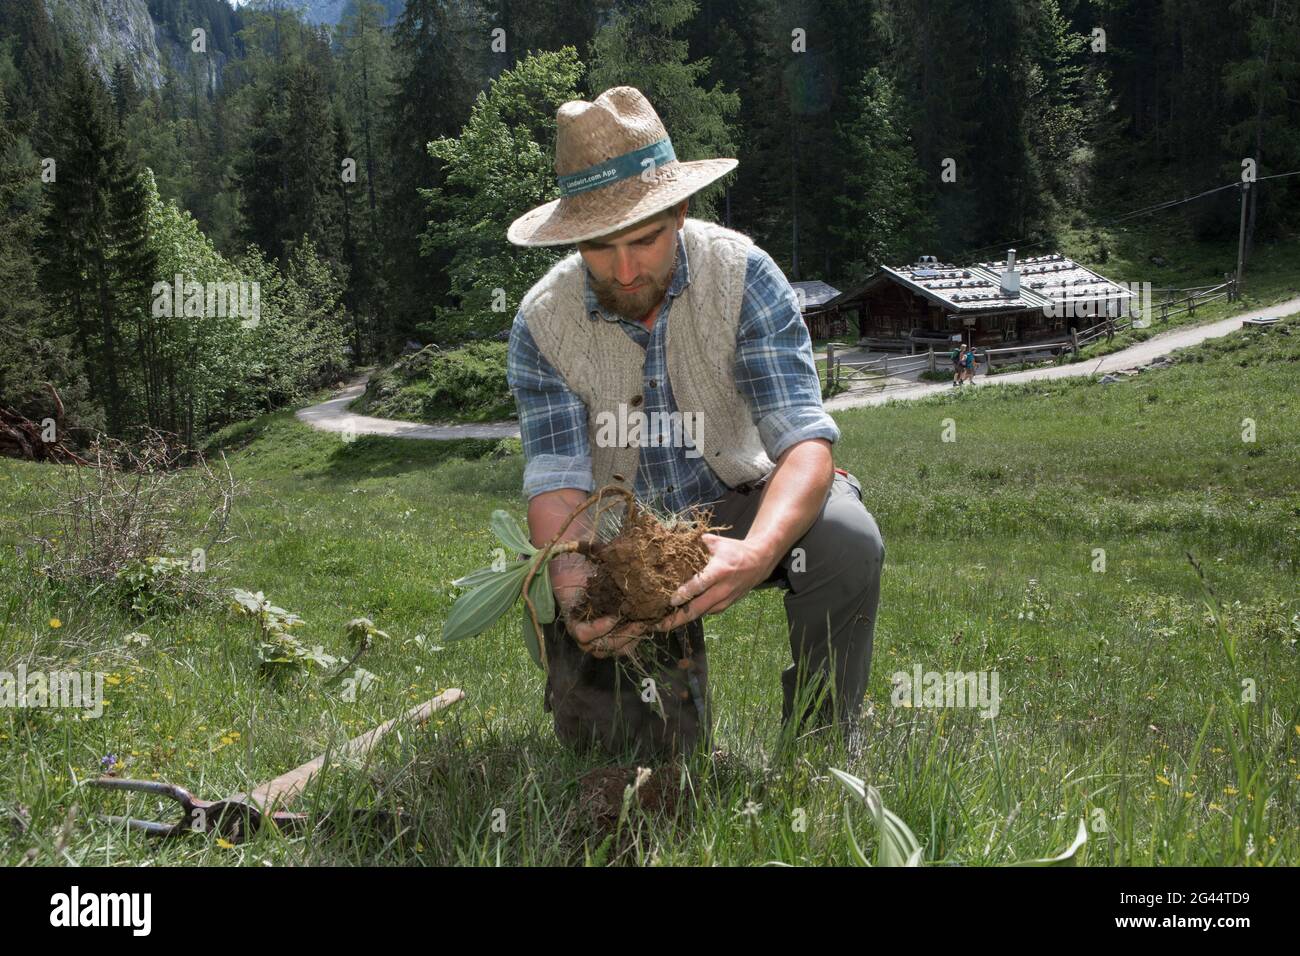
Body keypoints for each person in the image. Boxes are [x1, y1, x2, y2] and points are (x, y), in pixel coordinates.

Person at [505, 87, 885, 761]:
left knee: (846, 536)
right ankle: (658, 745)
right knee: (632, 767)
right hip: (617, 537)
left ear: (680, 211)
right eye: (599, 248)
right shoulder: (541, 322)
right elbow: (558, 482)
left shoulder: (743, 276)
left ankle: (821, 757)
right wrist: (572, 595)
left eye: (646, 240)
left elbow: (804, 441)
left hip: (741, 500)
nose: (625, 270)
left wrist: (759, 551)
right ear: (572, 238)